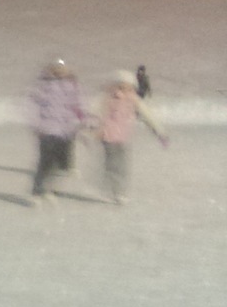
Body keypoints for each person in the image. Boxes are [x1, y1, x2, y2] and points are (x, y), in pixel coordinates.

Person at [96, 69, 167, 203]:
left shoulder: (134, 100)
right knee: (111, 164)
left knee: (122, 165)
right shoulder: (108, 98)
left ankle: (119, 191)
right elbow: (97, 113)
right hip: (108, 137)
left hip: (123, 138)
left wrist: (158, 131)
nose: (124, 89)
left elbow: (147, 116)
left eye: (128, 86)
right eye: (120, 85)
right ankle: (112, 188)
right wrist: (92, 127)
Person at [26, 58, 91, 203]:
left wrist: (83, 118)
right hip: (47, 130)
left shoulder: (72, 85)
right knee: (45, 162)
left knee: (58, 164)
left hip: (65, 131)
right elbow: (32, 105)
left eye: (61, 69)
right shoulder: (43, 85)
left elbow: (79, 103)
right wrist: (36, 124)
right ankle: (37, 191)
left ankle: (49, 189)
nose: (58, 72)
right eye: (55, 69)